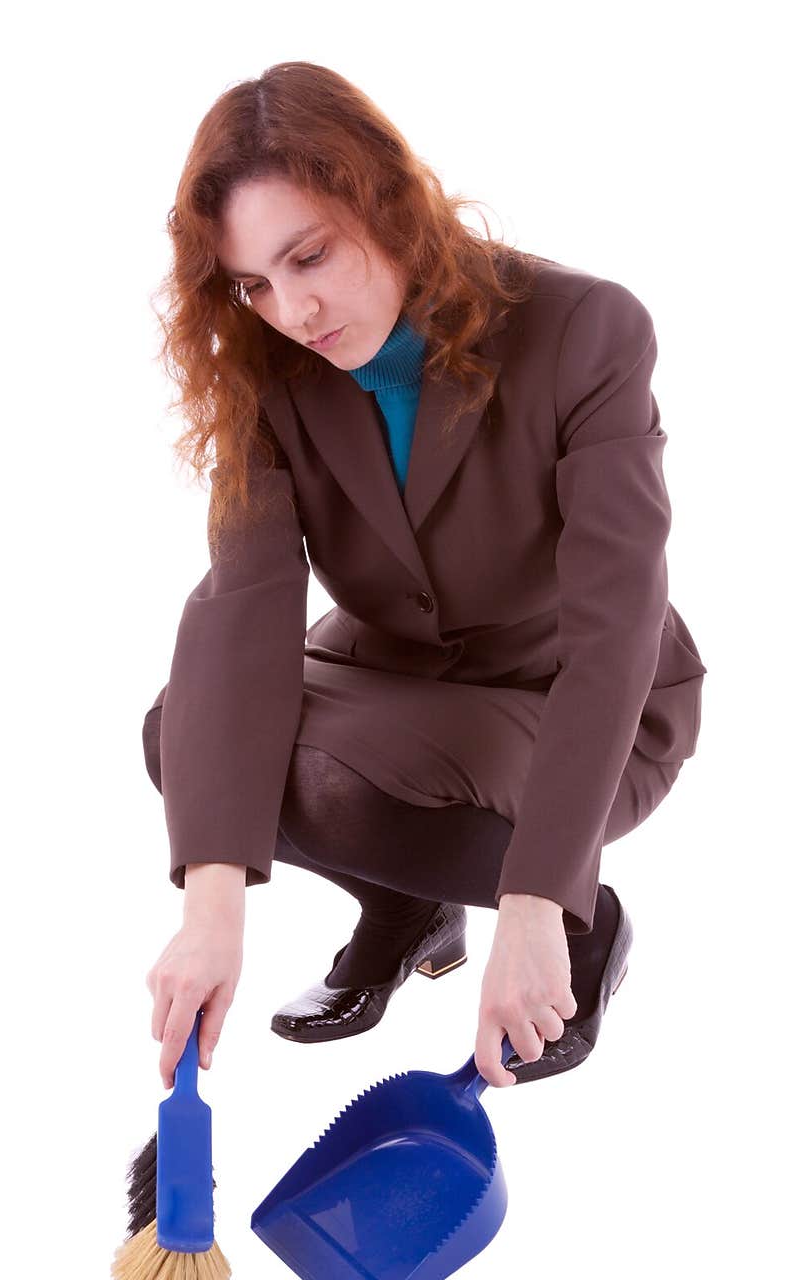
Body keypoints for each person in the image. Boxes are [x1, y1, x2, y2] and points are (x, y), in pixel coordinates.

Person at [142, 61, 707, 1094]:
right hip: (398, 673)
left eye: (308, 254)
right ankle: (408, 909)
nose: (292, 308)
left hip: (566, 689)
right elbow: (244, 606)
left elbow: (614, 621)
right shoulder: (270, 375)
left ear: (384, 196)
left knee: (334, 788)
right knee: (183, 736)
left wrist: (541, 900)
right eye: (252, 283)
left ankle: (590, 919)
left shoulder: (583, 330)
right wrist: (211, 917)